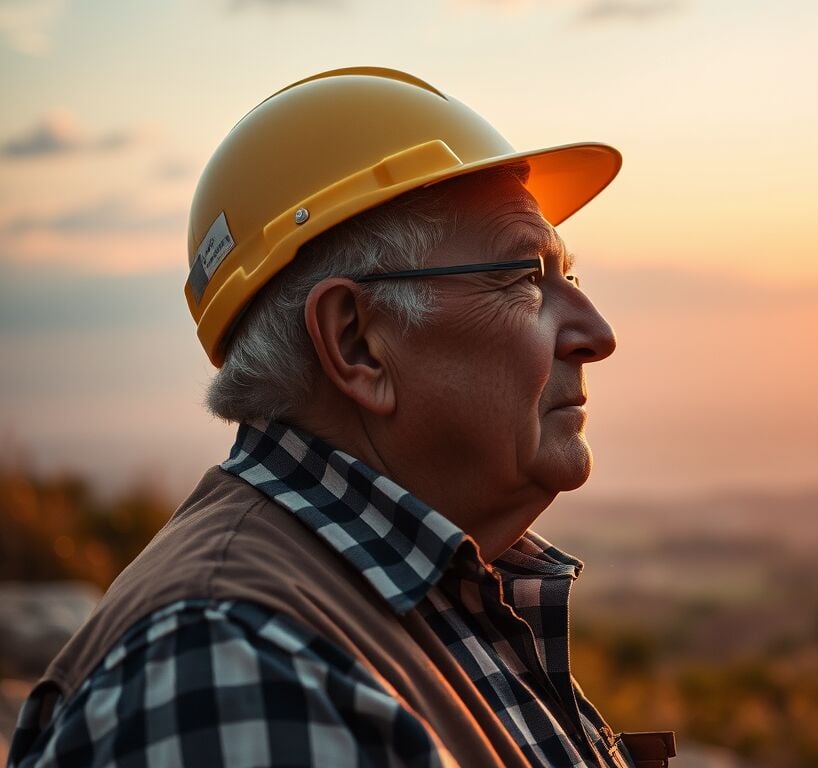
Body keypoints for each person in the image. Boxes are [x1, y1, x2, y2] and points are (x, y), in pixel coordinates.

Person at [6, 67, 675, 768]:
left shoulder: (430, 594)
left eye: (567, 277)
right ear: (356, 342)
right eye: (521, 278)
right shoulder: (234, 663)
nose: (596, 333)